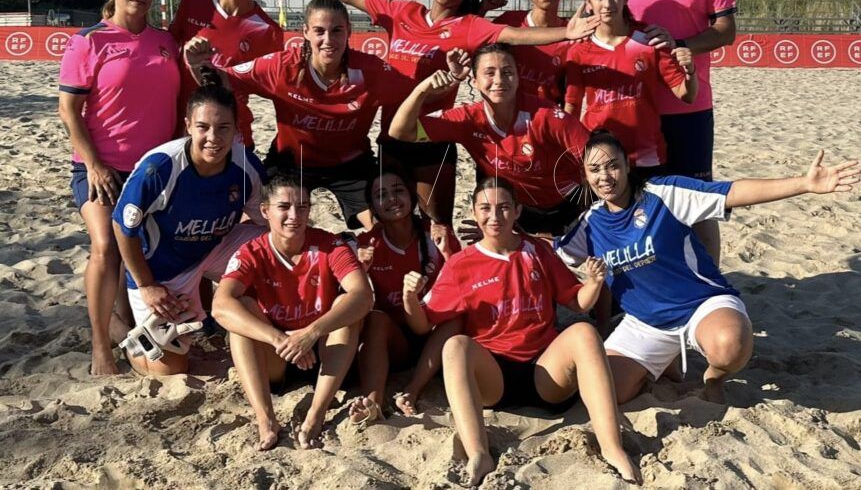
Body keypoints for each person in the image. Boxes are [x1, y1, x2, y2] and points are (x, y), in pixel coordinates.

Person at [267, 0, 600, 225]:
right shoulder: (402, 12)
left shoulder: (470, 26)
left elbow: (514, 34)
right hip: (393, 136)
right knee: (391, 221)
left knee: (437, 225)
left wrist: (565, 33)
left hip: (431, 139)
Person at [555, 130, 860, 404]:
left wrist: (804, 184)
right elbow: (550, 255)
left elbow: (732, 192)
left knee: (730, 346)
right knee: (607, 390)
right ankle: (665, 362)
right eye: (595, 169)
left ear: (627, 165)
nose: (605, 176)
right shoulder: (590, 225)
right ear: (585, 175)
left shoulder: (662, 193)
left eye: (613, 165)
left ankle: (713, 378)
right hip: (646, 324)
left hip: (700, 306)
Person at [403, 177, 641, 487]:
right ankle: (479, 453)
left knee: (583, 331)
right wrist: (410, 298)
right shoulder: (461, 264)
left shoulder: (537, 251)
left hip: (545, 372)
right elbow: (422, 324)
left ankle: (611, 447)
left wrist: (594, 283)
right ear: (473, 213)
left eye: (503, 207)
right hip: (495, 377)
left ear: (517, 211)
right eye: (485, 208)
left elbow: (577, 302)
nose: (494, 216)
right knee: (455, 345)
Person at [183, 0, 414, 231]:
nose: (328, 40)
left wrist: (439, 83)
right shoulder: (282, 66)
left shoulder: (372, 71)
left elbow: (414, 95)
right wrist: (198, 64)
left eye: (336, 31)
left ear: (349, 31)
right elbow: (224, 81)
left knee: (385, 226)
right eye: (319, 31)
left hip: (351, 165)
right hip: (291, 161)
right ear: (305, 32)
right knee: (260, 221)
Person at [603, 0, 737, 264]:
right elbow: (599, 25)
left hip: (688, 106)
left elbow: (726, 30)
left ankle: (710, 284)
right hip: (630, 107)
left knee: (699, 203)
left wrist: (678, 47)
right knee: (630, 204)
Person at [58, 0, 179, 375]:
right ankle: (100, 348)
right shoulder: (89, 41)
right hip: (103, 167)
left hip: (154, 171)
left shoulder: (166, 42)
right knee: (106, 247)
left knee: (145, 252)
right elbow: (69, 111)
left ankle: (122, 324)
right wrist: (93, 165)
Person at [112, 77, 267, 376]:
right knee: (170, 370)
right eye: (203, 127)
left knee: (277, 249)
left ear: (236, 129)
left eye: (223, 127)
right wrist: (147, 286)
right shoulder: (159, 168)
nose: (213, 138)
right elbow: (122, 227)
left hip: (216, 248)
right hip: (163, 271)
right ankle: (119, 330)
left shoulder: (246, 165)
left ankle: (250, 323)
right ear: (188, 126)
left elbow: (267, 219)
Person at [213, 174, 373, 451]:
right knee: (242, 311)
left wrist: (310, 333)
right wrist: (281, 339)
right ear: (265, 211)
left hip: (326, 354)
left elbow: (363, 295)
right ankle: (266, 419)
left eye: (302, 207)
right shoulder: (252, 251)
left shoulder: (331, 244)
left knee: (346, 307)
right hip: (278, 355)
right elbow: (220, 306)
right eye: (284, 207)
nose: (294, 216)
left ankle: (316, 414)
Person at [389, 44, 589, 237]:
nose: (499, 80)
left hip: (566, 205)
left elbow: (596, 160)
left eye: (507, 72)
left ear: (518, 78)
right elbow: (400, 132)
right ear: (474, 81)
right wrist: (421, 90)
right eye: (489, 73)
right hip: (515, 209)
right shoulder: (468, 119)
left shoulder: (547, 115)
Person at [565, 0, 698, 179]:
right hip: (601, 159)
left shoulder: (649, 39)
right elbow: (572, 109)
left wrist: (690, 71)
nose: (608, 3)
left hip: (647, 157)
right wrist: (575, 155)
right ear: (588, 2)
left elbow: (687, 95)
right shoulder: (578, 51)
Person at [349, 169, 462, 424]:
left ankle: (412, 390)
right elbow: (351, 297)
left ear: (411, 196)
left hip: (435, 334)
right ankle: (373, 402)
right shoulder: (368, 244)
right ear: (373, 207)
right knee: (376, 319)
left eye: (398, 191)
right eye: (381, 195)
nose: (392, 199)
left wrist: (447, 254)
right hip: (396, 340)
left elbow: (463, 287)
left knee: (456, 319)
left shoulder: (436, 235)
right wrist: (361, 270)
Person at [170, 0, 283, 148]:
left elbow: (270, 89)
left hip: (230, 136)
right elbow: (167, 47)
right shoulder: (194, 0)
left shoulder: (268, 30)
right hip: (183, 129)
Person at [492, 0, 574, 103]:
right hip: (507, 113)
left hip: (547, 114)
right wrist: (483, 8)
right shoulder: (509, 22)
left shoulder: (573, 36)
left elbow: (573, 95)